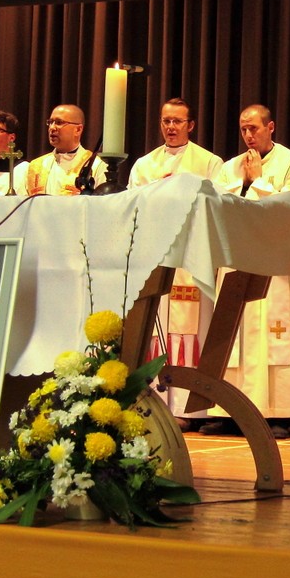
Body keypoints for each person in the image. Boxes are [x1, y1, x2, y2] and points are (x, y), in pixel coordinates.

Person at [205, 104, 290, 437]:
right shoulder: (229, 167)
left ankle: (279, 413)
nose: (248, 135)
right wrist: (245, 184)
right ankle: (227, 411)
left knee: (274, 336)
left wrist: (258, 182)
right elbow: (217, 206)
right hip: (238, 259)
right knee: (235, 335)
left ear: (271, 127)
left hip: (277, 264)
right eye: (243, 129)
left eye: (254, 128)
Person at [128, 98, 223, 423]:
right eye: (166, 121)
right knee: (156, 328)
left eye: (177, 121)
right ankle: (154, 406)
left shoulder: (209, 162)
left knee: (189, 330)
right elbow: (130, 204)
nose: (170, 127)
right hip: (155, 255)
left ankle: (188, 407)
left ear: (190, 125)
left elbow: (216, 206)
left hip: (190, 258)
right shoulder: (144, 165)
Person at [26, 104, 106, 195]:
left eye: (59, 122)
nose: (52, 128)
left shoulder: (95, 165)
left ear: (78, 130)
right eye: (50, 122)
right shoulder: (36, 166)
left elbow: (102, 202)